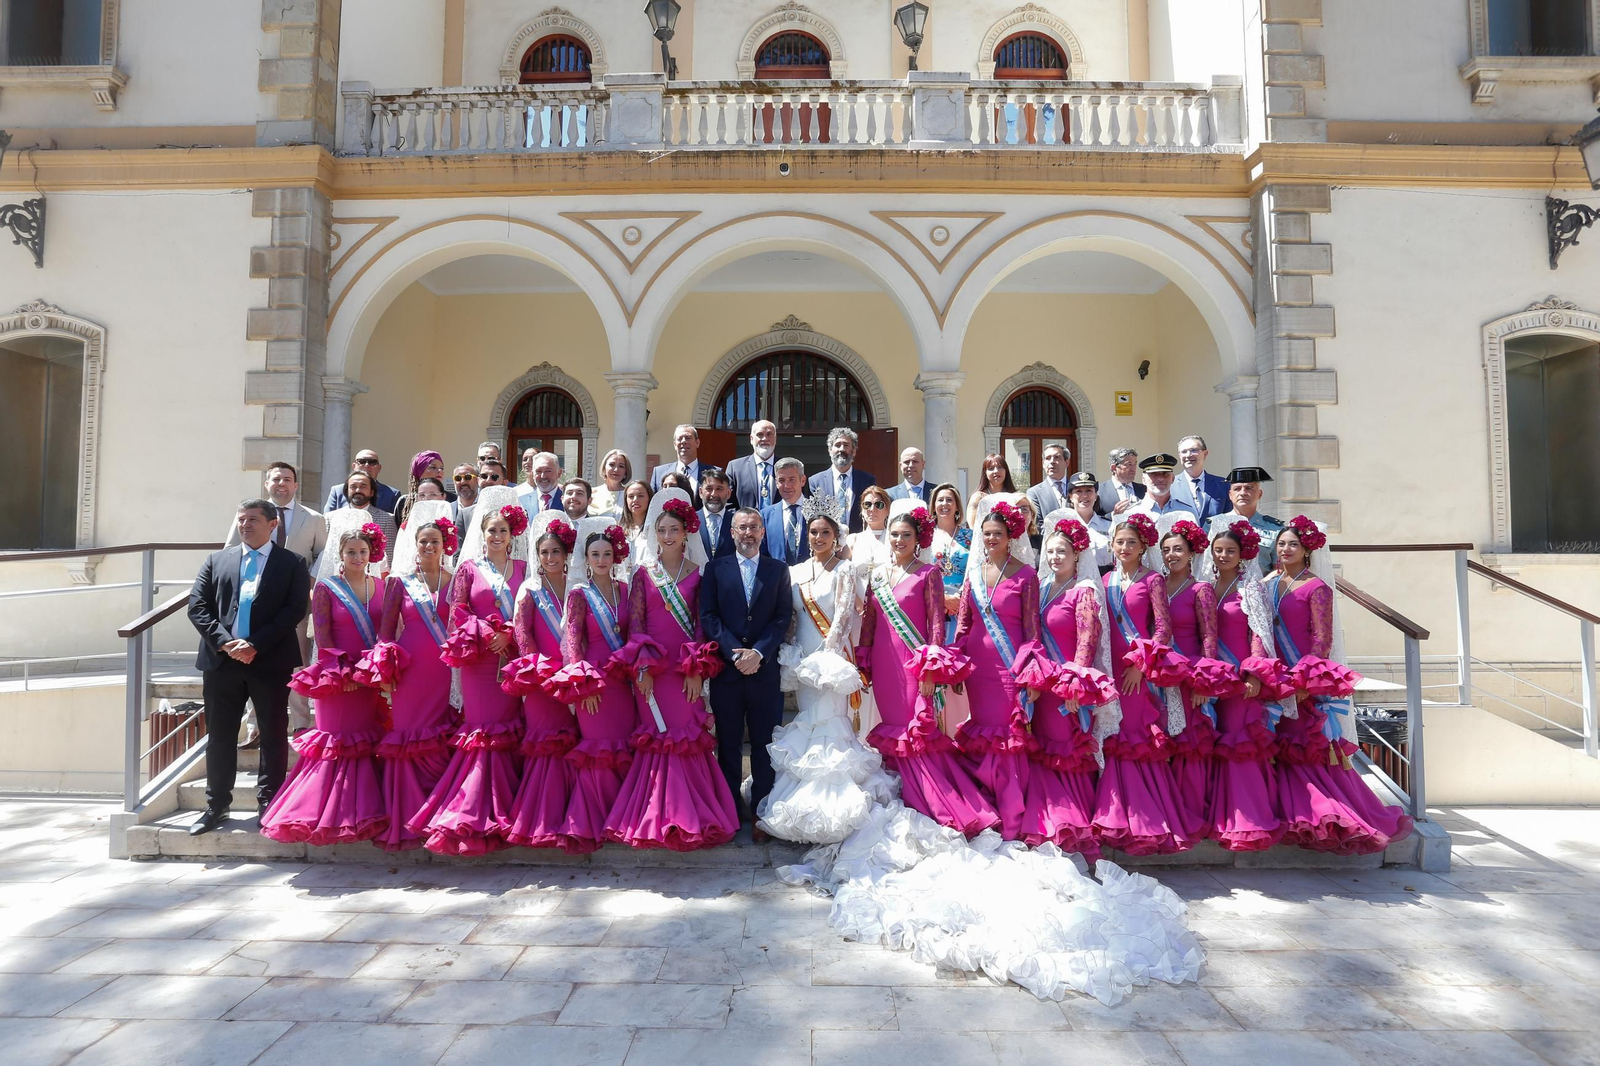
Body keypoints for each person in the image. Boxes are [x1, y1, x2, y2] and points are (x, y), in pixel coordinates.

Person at [1268, 517, 1414, 854]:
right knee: (1282, 747)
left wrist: (1305, 681)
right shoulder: (1271, 583)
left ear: (1307, 551)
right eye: (1282, 544)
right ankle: (1293, 813)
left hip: (1303, 682)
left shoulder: (1316, 587)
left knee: (1308, 747)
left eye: (1293, 545)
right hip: (1276, 681)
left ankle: (1330, 815)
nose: (1286, 549)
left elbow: (1322, 641)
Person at [606, 489, 740, 850]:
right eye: (661, 530)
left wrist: (695, 669)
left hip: (684, 671)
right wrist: (643, 669)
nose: (667, 536)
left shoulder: (700, 574)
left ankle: (694, 815)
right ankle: (655, 816)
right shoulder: (642, 575)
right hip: (653, 671)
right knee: (657, 736)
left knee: (685, 736)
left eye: (673, 530)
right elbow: (636, 625)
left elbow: (701, 624)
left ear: (686, 533)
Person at [759, 495, 895, 843]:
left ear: (837, 537)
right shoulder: (796, 571)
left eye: (825, 533)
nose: (818, 538)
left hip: (832, 661)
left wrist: (827, 658)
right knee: (807, 723)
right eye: (813, 532)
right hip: (804, 660)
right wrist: (792, 652)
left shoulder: (845, 569)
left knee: (831, 725)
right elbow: (791, 616)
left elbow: (844, 614)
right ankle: (799, 805)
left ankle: (836, 808)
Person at [856, 505, 998, 836]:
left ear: (918, 538)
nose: (899, 540)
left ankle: (931, 800)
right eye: (894, 534)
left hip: (913, 666)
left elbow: (936, 624)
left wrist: (930, 672)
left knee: (915, 732)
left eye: (906, 535)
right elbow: (869, 623)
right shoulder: (877, 575)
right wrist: (863, 661)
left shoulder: (928, 573)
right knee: (893, 728)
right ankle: (902, 793)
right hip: (883, 664)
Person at [410, 490, 529, 855]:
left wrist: (508, 633)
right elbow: (456, 612)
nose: (497, 536)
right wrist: (487, 633)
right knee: (483, 732)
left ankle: (506, 807)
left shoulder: (524, 569)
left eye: (503, 531)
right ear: (482, 533)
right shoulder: (468, 569)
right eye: (491, 530)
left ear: (513, 535)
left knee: (510, 731)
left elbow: (530, 612)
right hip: (479, 661)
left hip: (511, 660)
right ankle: (473, 810)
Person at [185, 499, 312, 836]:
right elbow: (197, 606)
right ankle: (216, 805)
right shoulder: (217, 560)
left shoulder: (292, 563)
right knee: (221, 736)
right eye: (241, 519)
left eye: (253, 519)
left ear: (273, 525)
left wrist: (255, 643)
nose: (245, 525)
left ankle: (269, 802)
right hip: (221, 662)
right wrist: (226, 642)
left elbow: (295, 610)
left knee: (272, 734)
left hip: (269, 660)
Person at [261, 523, 388, 845]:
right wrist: (339, 674)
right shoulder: (326, 588)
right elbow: (323, 636)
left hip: (368, 678)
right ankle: (322, 813)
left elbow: (386, 633)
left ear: (370, 554)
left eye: (362, 551)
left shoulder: (382, 586)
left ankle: (358, 812)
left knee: (363, 743)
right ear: (340, 555)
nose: (357, 556)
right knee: (337, 743)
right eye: (350, 552)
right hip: (340, 681)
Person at [1092, 514, 1194, 855]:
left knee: (1134, 737)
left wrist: (1140, 662)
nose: (1125, 548)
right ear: (1112, 545)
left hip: (1137, 673)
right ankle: (1113, 813)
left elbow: (1163, 628)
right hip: (1108, 670)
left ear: (1142, 547)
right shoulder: (1103, 580)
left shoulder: (1153, 581)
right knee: (1112, 736)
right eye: (1120, 542)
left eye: (1131, 543)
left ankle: (1146, 818)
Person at [952, 495, 1050, 840]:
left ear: (1011, 537)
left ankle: (1012, 817)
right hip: (978, 670)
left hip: (1010, 670)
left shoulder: (1026, 576)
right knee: (981, 734)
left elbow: (1031, 630)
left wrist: (1029, 673)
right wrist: (957, 665)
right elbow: (963, 625)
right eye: (987, 533)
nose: (991, 539)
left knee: (1008, 738)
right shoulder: (973, 575)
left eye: (997, 533)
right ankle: (987, 812)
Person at [361, 506, 458, 852]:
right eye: (423, 542)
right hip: (410, 669)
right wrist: (384, 671)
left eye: (435, 542)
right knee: (406, 737)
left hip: (444, 670)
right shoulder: (399, 583)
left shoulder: (456, 579)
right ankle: (406, 814)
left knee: (439, 736)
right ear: (414, 546)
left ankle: (436, 810)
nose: (429, 547)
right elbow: (386, 633)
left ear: (445, 544)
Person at [1024, 512, 1115, 856]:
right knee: (1045, 750)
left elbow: (1087, 640)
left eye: (1062, 551)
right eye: (1050, 552)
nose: (1055, 558)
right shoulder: (1042, 586)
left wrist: (1075, 687)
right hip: (1043, 685)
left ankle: (1074, 827)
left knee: (1067, 752)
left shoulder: (1085, 590)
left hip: (1068, 688)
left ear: (1077, 555)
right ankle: (1047, 823)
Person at [699, 507, 793, 841]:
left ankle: (762, 812)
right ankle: (728, 809)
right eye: (742, 528)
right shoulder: (715, 569)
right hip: (727, 671)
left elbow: (782, 617)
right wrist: (734, 652)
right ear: (732, 532)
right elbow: (708, 616)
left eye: (754, 527)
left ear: (763, 533)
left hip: (765, 672)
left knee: (765, 743)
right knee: (728, 743)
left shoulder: (778, 570)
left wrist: (759, 652)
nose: (748, 533)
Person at [1200, 521, 1288, 852]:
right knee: (1217, 743)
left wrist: (1253, 673)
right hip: (1214, 677)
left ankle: (1248, 819)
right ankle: (1221, 817)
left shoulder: (1250, 588)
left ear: (1242, 555)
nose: (1223, 555)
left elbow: (1259, 633)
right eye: (1218, 550)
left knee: (1240, 745)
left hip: (1240, 677)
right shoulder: (1205, 585)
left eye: (1230, 551)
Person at [550, 517, 636, 853]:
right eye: (595, 554)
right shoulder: (579, 594)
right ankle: (594, 821)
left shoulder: (626, 591)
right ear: (586, 559)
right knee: (598, 750)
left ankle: (622, 818)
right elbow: (572, 642)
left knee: (621, 749)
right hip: (594, 683)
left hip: (622, 683)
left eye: (607, 554)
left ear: (616, 557)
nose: (601, 560)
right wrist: (581, 686)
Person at [224, 461, 326, 741]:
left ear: (295, 485)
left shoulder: (313, 518)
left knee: (298, 661)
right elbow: (230, 552)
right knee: (253, 659)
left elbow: (322, 556)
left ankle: (301, 723)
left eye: (287, 479)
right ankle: (255, 725)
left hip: (296, 603)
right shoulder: (248, 516)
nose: (281, 484)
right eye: (276, 479)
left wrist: (308, 583)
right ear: (267, 484)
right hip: (253, 601)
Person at [501, 510, 582, 851]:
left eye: (555, 552)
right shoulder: (529, 588)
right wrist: (542, 674)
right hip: (541, 680)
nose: (550, 558)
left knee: (569, 742)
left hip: (573, 678)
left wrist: (574, 673)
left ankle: (570, 813)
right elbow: (522, 635)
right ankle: (541, 817)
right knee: (544, 743)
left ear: (566, 555)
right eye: (544, 552)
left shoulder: (578, 586)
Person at [1159, 518, 1222, 845]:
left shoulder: (1201, 589)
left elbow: (1209, 637)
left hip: (1188, 675)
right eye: (1167, 550)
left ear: (1191, 553)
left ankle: (1192, 813)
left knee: (1189, 745)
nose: (1172, 555)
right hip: (1158, 675)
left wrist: (1202, 683)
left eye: (1178, 549)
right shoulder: (1157, 584)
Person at [1207, 467, 1284, 576]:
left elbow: (1281, 567)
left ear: (1260, 494)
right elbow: (1203, 564)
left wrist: (1262, 585)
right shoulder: (1214, 524)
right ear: (1230, 495)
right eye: (1237, 489)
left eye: (1249, 488)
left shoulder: (1275, 529)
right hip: (1222, 590)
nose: (1243, 493)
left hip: (1263, 589)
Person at [808, 427, 876, 533]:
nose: (841, 449)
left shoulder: (867, 480)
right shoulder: (815, 482)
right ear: (830, 450)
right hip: (827, 543)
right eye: (837, 445)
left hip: (858, 542)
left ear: (854, 451)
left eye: (846, 445)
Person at [928, 483, 970, 642]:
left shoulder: (970, 536)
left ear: (957, 506)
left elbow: (977, 570)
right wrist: (942, 598)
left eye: (949, 500)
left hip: (963, 605)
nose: (944, 504)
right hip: (933, 603)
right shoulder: (925, 537)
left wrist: (961, 599)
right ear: (933, 507)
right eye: (940, 500)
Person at [332, 470, 396, 574]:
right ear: (347, 490)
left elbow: (390, 555)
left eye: (363, 486)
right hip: (337, 578)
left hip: (375, 577)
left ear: (372, 492)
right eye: (353, 486)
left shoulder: (387, 519)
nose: (358, 490)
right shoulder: (331, 518)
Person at [760, 457, 810, 565]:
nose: (787, 486)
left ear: (802, 480)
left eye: (792, 480)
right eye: (781, 480)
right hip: (778, 579)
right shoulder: (765, 516)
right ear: (776, 483)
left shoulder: (817, 511)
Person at [1172, 435, 1230, 521]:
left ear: (1205, 454)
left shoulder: (1223, 485)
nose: (1188, 455)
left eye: (1193, 450)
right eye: (1184, 452)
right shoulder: (1171, 485)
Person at [394, 450, 457, 528]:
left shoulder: (453, 499)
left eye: (442, 468)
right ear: (419, 471)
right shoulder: (404, 502)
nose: (439, 471)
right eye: (433, 467)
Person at [324, 449, 399, 513]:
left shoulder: (392, 494)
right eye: (362, 461)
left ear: (379, 468)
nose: (367, 465)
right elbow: (327, 521)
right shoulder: (337, 491)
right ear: (354, 466)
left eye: (372, 462)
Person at [728, 419, 780, 511]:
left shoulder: (787, 467)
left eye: (769, 434)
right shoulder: (735, 467)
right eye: (760, 435)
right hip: (746, 524)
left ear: (775, 439)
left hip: (779, 524)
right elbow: (728, 503)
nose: (764, 439)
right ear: (751, 439)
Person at [1065, 472, 1112, 566]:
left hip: (1105, 578)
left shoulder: (1110, 526)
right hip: (1074, 578)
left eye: (1089, 490)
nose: (1084, 496)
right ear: (1070, 496)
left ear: (1096, 495)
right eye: (1078, 491)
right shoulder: (1064, 528)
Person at [1134, 454, 1198, 520]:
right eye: (1154, 474)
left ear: (1173, 478)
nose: (1160, 478)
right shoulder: (1132, 513)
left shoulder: (1187, 513)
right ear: (1143, 479)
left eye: (1165, 474)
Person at [843, 484, 892, 568]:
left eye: (879, 505)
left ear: (888, 510)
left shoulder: (893, 539)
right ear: (862, 510)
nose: (872, 509)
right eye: (867, 504)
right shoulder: (853, 540)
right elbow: (843, 573)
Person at [965, 453, 1016, 527]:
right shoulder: (978, 497)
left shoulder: (1014, 497)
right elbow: (972, 526)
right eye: (991, 468)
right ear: (985, 472)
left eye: (1000, 467)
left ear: (1006, 471)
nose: (996, 471)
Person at [1024, 444, 1072, 521]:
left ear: (1066, 462)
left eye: (1057, 457)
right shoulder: (1034, 493)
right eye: (1048, 458)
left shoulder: (1076, 488)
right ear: (1043, 464)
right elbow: (1037, 524)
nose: (1052, 461)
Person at [697, 468, 736, 559]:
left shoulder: (736, 522)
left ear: (728, 493)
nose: (713, 494)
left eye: (719, 489)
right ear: (700, 492)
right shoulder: (689, 520)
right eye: (709, 489)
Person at [651, 423, 703, 493]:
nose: (684, 441)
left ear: (697, 443)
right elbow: (653, 501)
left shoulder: (712, 472)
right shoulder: (659, 473)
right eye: (679, 438)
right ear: (675, 445)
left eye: (688, 438)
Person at [1097, 448, 1146, 517]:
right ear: (1114, 468)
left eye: (1135, 464)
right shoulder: (1099, 490)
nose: (1134, 468)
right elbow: (1092, 518)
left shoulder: (1144, 489)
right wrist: (1113, 515)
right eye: (1129, 464)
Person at [518, 451, 565, 516]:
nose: (543, 476)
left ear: (559, 473)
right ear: (533, 474)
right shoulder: (521, 501)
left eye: (548, 471)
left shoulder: (568, 501)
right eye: (538, 471)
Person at [589, 449, 631, 519]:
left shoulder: (630, 494)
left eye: (621, 466)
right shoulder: (591, 493)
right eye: (612, 465)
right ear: (604, 469)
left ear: (626, 472)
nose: (616, 470)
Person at [620, 479, 652, 567]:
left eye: (640, 496)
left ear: (649, 498)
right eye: (630, 496)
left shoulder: (656, 529)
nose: (635, 500)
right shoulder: (619, 530)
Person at [452, 463, 480, 529]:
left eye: (468, 477)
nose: (463, 482)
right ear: (454, 482)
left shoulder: (485, 507)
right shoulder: (447, 510)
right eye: (458, 478)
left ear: (478, 480)